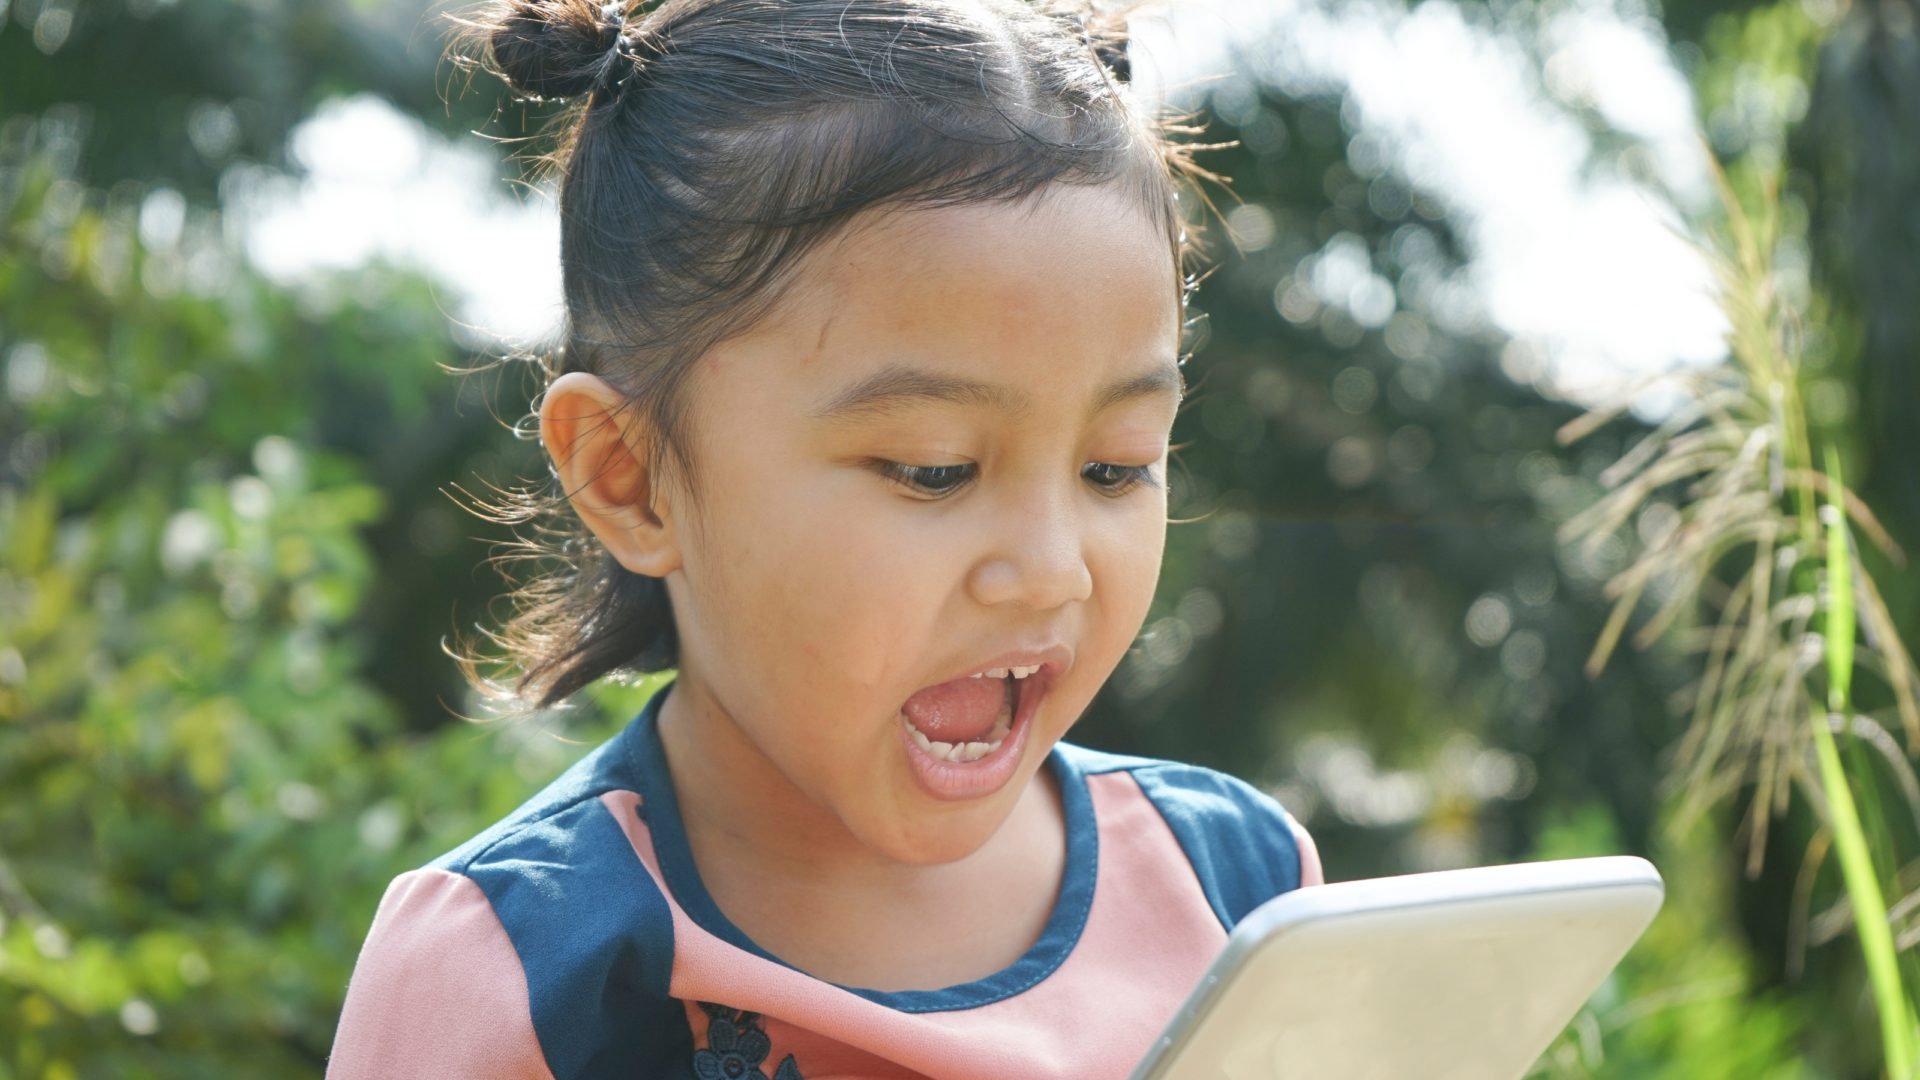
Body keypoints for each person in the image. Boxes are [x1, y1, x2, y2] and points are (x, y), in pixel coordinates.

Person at [323, 0, 1323, 1076]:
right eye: (934, 469)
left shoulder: (1242, 886)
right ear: (633, 477)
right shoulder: (518, 966)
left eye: (1116, 466)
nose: (1050, 569)